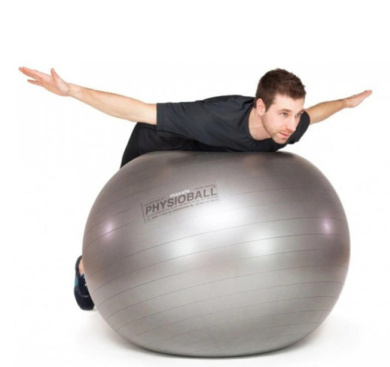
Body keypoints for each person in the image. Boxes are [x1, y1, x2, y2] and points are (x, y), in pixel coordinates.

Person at [19, 66, 372, 310]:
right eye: (284, 114)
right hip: (158, 149)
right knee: (134, 223)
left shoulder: (286, 126)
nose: (292, 126)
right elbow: (138, 111)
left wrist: (345, 103)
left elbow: (316, 113)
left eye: (296, 114)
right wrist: (72, 91)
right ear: (260, 106)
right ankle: (86, 268)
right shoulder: (213, 119)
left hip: (205, 161)